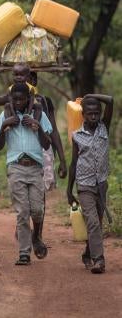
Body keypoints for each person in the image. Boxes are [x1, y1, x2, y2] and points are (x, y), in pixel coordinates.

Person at [0, 83, 52, 266]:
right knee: (22, 211)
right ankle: (24, 252)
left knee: (37, 210)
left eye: (22, 99)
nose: (18, 102)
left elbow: (47, 144)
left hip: (35, 168)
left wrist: (37, 127)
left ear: (28, 99)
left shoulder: (39, 115)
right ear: (11, 99)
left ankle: (35, 235)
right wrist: (4, 125)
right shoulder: (5, 115)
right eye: (15, 99)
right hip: (16, 167)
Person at [67, 94, 113, 274]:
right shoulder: (77, 136)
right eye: (90, 114)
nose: (94, 117)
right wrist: (69, 190)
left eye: (96, 113)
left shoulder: (104, 128)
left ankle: (88, 253)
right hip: (84, 185)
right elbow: (73, 163)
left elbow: (110, 101)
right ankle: (99, 260)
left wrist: (91, 96)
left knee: (97, 223)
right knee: (92, 222)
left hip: (101, 184)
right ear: (83, 115)